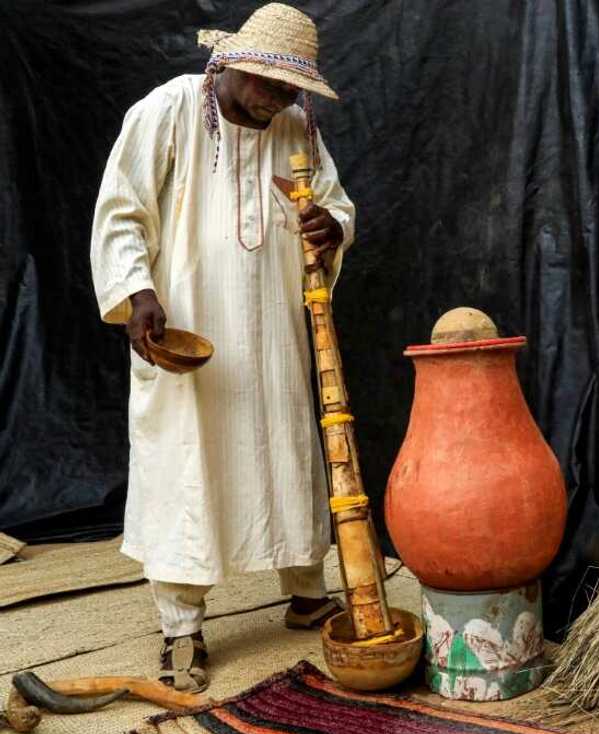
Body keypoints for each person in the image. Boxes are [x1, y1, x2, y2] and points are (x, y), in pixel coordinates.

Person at [89, 3, 355, 692]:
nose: (276, 96)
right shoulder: (171, 108)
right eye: (266, 80)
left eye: (289, 87)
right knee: (185, 462)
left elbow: (334, 204)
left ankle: (305, 592)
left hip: (273, 336)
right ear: (229, 63)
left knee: (288, 452)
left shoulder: (296, 126)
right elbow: (121, 210)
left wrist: (333, 226)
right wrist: (136, 292)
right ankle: (182, 626)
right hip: (190, 327)